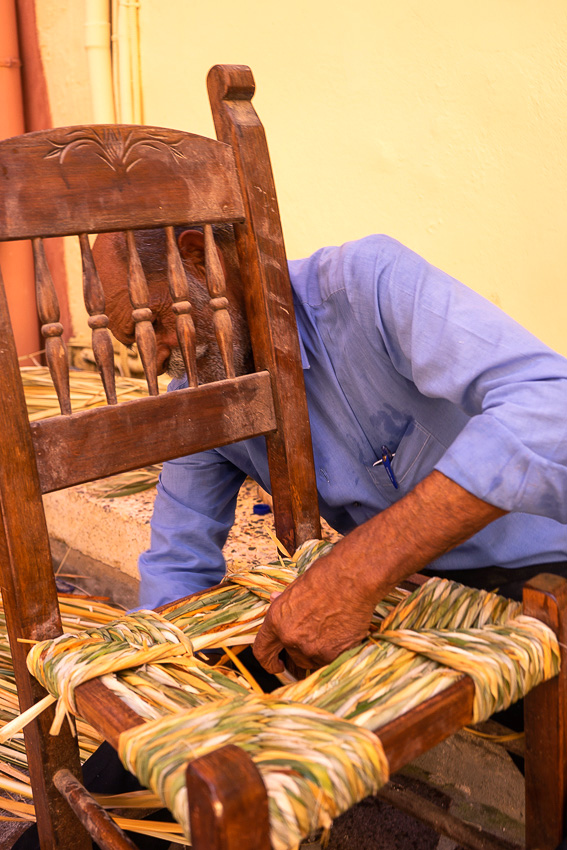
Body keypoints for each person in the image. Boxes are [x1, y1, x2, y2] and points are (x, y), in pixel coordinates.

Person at [94, 226, 567, 677]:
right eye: (134, 343)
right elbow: (178, 567)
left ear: (198, 260)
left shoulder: (365, 285)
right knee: (228, 679)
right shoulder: (201, 397)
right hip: (405, 596)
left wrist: (356, 570)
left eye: (152, 323)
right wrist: (144, 668)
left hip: (543, 569)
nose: (152, 360)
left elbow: (549, 404)